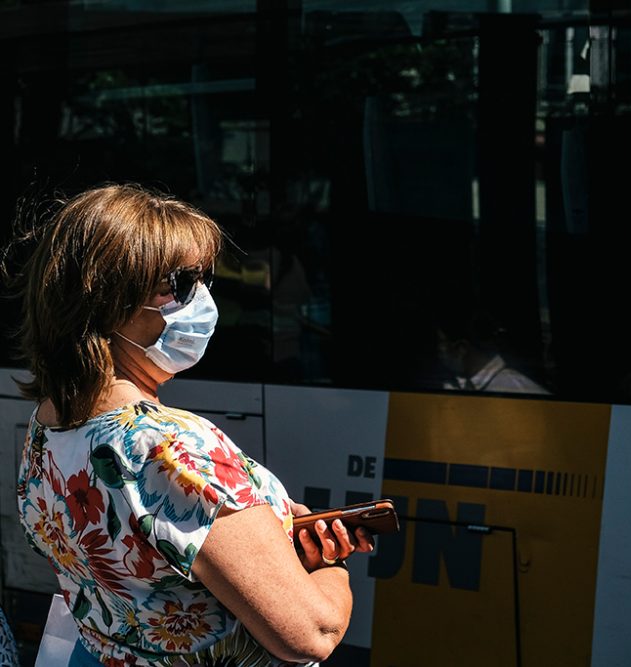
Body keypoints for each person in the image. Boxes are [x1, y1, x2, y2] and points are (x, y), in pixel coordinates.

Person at [9, 184, 372, 666]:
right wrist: (330, 563)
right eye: (177, 284)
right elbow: (312, 633)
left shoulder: (46, 428)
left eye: (204, 279)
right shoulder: (172, 447)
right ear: (105, 302)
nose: (199, 300)